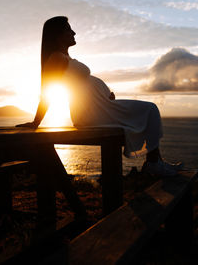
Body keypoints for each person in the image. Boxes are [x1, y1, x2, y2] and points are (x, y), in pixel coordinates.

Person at [17, 16, 182, 177]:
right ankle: (153, 164)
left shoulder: (65, 57)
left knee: (148, 111)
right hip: (91, 113)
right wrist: (36, 121)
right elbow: (48, 91)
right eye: (69, 30)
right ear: (57, 35)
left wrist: (104, 93)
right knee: (149, 109)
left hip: (101, 105)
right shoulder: (56, 58)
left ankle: (155, 162)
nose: (74, 33)